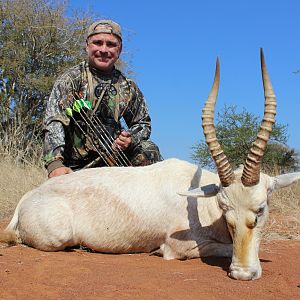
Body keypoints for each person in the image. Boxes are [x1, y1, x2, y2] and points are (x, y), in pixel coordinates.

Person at [43, 20, 162, 178]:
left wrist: (130, 138)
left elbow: (143, 123)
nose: (104, 50)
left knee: (149, 150)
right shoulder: (70, 80)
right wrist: (55, 163)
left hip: (114, 161)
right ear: (87, 45)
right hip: (76, 167)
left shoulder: (128, 86)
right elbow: (54, 121)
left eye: (111, 44)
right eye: (97, 43)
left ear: (119, 49)